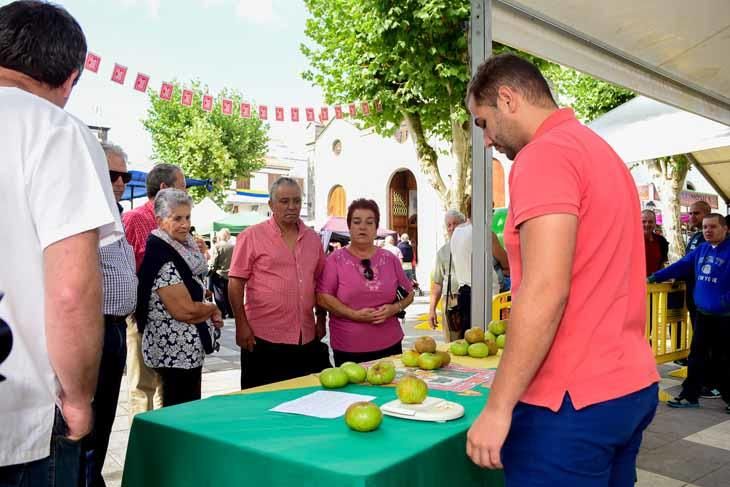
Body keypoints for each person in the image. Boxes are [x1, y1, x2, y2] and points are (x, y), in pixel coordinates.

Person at [465, 53, 659, 485]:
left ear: (508, 99)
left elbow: (546, 288)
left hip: (568, 400)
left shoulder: (543, 156)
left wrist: (498, 408)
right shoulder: (601, 152)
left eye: (482, 122)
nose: (487, 140)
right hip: (627, 385)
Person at [0, 1, 123, 484]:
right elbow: (72, 291)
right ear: (70, 79)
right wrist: (78, 399)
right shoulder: (53, 129)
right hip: (22, 413)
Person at [228, 177, 330, 389]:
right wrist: (241, 324)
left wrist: (321, 318)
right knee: (261, 403)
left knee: (305, 399)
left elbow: (319, 282)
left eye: (296, 201)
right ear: (272, 205)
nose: (292, 207)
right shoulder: (251, 236)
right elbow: (236, 283)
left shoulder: (313, 238)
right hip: (263, 339)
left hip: (305, 338)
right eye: (284, 201)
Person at [136, 189, 223, 406]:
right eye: (177, 218)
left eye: (187, 217)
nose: (185, 224)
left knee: (185, 409)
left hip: (184, 354)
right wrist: (212, 309)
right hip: (174, 355)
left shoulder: (179, 249)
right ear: (160, 220)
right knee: (179, 411)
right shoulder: (163, 257)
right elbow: (186, 311)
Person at [84, 143, 138, 487]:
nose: (119, 182)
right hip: (93, 326)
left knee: (104, 413)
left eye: (125, 175)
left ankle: (93, 475)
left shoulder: (115, 212)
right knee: (86, 413)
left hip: (116, 327)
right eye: (112, 175)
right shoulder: (83, 211)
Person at [317, 199, 415, 365]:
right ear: (349, 227)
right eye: (357, 222)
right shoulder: (335, 260)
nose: (363, 227)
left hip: (390, 343)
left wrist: (394, 308)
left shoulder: (390, 259)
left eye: (369, 222)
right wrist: (353, 314)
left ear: (376, 228)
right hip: (349, 346)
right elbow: (322, 297)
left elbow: (409, 294)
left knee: (390, 389)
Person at [122, 163, 186, 418]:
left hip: (175, 319)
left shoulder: (176, 220)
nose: (186, 193)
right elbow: (124, 269)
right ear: (164, 188)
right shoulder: (134, 219)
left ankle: (165, 443)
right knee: (142, 384)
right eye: (182, 187)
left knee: (167, 385)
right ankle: (144, 446)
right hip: (143, 318)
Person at [649, 214, 729, 412]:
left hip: (725, 318)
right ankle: (689, 396)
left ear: (725, 229)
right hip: (703, 314)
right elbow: (680, 266)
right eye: (704, 227)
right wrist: (654, 277)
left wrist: (724, 302)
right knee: (696, 357)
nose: (708, 231)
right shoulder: (701, 250)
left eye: (713, 227)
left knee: (724, 359)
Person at [450, 202, 500, 336]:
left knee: (469, 337)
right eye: (492, 210)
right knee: (487, 337)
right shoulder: (485, 233)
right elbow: (505, 261)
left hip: (464, 292)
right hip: (485, 293)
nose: (492, 214)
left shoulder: (457, 232)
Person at [428, 210, 466, 340]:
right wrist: (432, 310)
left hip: (472, 298)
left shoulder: (475, 246)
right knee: (453, 342)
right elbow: (437, 284)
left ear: (464, 225)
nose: (452, 228)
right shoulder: (442, 252)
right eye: (449, 225)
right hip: (451, 301)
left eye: (455, 224)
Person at [209, 228, 234, 318]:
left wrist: (210, 270)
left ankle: (222, 313)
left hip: (219, 273)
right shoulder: (233, 247)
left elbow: (214, 261)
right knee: (229, 295)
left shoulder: (217, 246)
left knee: (219, 294)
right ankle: (231, 313)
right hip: (230, 274)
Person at [642, 209, 669, 276]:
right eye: (643, 221)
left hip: (653, 283)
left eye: (650, 222)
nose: (647, 224)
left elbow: (662, 264)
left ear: (655, 224)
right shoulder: (631, 241)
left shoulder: (661, 241)